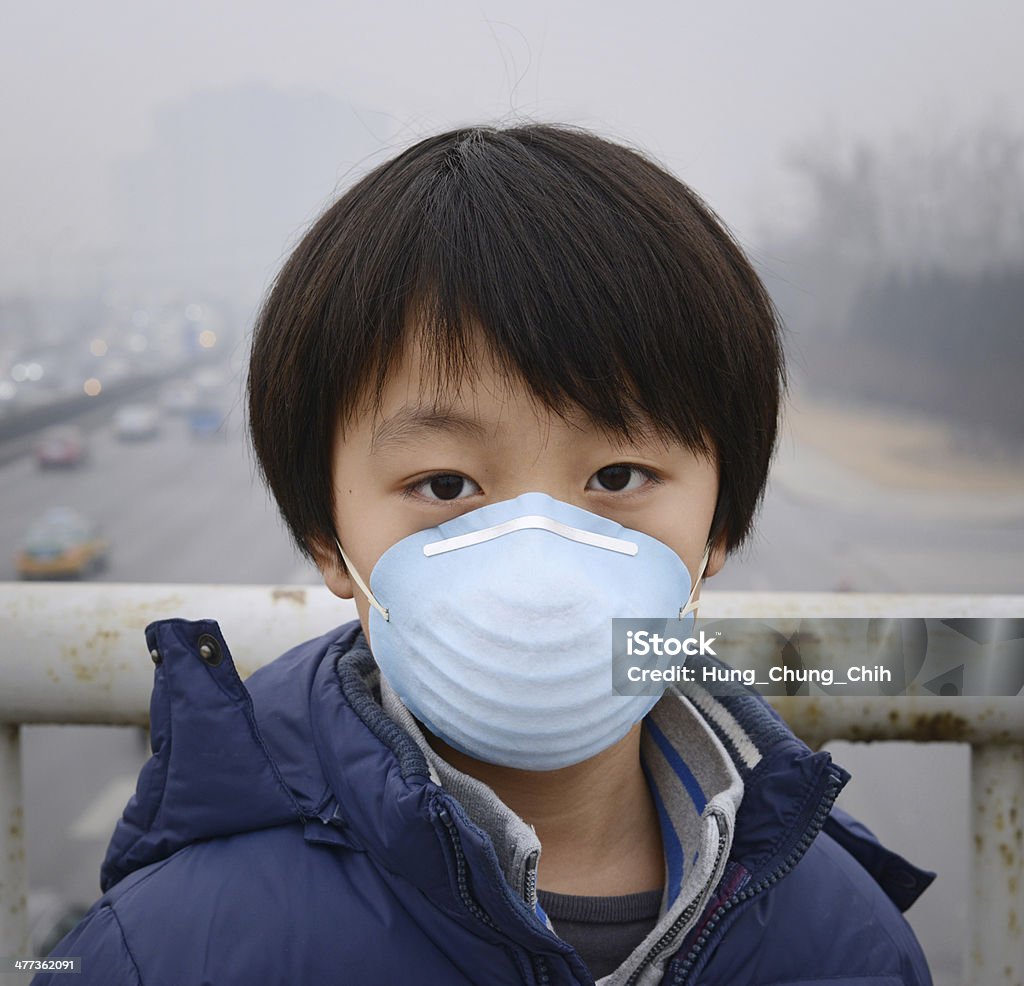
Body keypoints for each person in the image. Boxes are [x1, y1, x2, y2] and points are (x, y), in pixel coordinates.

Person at [36, 124, 935, 985]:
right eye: (445, 485)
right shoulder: (162, 954)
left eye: (618, 475)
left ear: (720, 525)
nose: (537, 565)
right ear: (327, 536)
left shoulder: (849, 938)